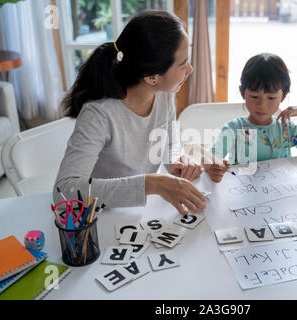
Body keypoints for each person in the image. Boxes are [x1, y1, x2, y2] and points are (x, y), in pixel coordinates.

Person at [53, 10, 206, 215]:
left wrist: (177, 161)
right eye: (182, 64)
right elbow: (64, 192)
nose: (190, 69)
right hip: (100, 216)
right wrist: (153, 184)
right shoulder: (99, 115)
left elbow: (170, 143)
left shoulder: (163, 94)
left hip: (138, 214)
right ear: (152, 77)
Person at [203, 53, 297, 182]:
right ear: (242, 92)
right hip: (243, 195)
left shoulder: (286, 129)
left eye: (271, 98)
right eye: (254, 96)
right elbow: (208, 157)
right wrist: (213, 167)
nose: (262, 105)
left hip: (280, 193)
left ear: (283, 96)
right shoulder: (235, 128)